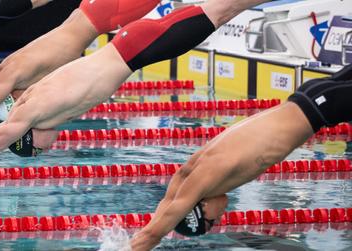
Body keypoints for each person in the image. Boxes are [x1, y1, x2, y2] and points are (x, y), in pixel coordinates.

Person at [0, 0, 271, 196]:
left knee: (224, 9)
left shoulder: (31, 113)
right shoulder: (36, 99)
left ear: (29, 137)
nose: (51, 145)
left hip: (135, 47)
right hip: (130, 45)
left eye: (40, 148)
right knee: (224, 9)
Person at [128, 63, 352, 250]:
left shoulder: (209, 175)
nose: (219, 218)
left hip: (321, 107)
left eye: (211, 222)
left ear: (200, 209)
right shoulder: (192, 169)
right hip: (311, 95)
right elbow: (169, 201)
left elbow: (152, 233)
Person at [0, 0, 162, 161]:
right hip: (94, 11)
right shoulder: (3, 73)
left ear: (14, 100)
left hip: (104, 15)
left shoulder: (12, 76)